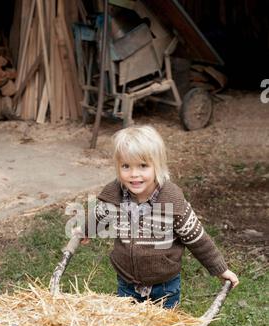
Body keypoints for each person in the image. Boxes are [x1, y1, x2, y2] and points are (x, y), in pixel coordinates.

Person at [81, 125, 239, 308]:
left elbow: (197, 239)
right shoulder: (116, 195)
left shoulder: (172, 202)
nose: (134, 174)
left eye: (143, 166)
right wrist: (87, 229)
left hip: (164, 286)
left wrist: (220, 269)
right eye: (126, 166)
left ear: (158, 166)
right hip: (127, 283)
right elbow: (100, 213)